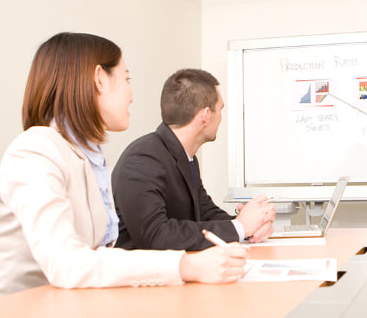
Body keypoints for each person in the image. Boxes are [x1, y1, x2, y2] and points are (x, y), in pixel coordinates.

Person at [0, 33, 249, 308]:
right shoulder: (35, 151)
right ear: (99, 79)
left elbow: (95, 258)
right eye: (126, 79)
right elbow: (67, 264)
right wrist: (186, 265)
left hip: (56, 306)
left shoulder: (86, 158)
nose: (131, 95)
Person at [112, 69, 275, 251]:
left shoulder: (185, 157)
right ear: (206, 115)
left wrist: (253, 224)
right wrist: (240, 226)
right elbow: (156, 236)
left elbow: (205, 214)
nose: (221, 118)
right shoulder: (142, 159)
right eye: (220, 109)